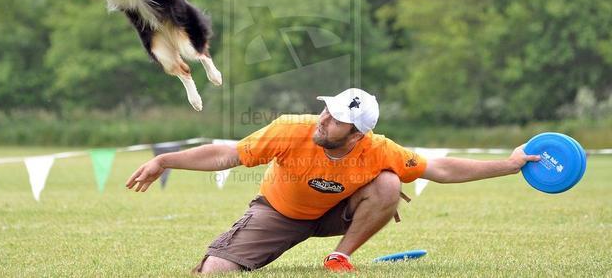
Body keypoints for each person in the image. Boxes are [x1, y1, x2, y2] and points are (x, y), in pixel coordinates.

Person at [126, 88, 540, 273]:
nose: (323, 119)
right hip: (279, 212)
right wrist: (167, 160)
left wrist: (510, 164)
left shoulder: (380, 149)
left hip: (335, 214)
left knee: (389, 184)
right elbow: (227, 154)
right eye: (327, 110)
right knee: (215, 269)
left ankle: (339, 258)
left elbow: (442, 168)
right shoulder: (291, 129)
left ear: (357, 134)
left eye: (336, 119)